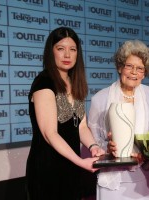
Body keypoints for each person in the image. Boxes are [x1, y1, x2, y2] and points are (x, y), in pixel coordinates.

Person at [25, 26, 105, 200]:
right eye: (61, 49)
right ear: (51, 52)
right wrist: (80, 162)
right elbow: (49, 133)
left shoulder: (75, 82)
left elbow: (81, 126)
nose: (67, 55)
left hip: (72, 167)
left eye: (72, 49)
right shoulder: (43, 82)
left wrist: (93, 146)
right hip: (47, 169)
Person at [88, 40, 149, 200]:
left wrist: (147, 153)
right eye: (129, 66)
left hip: (143, 178)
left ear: (145, 73)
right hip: (112, 179)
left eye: (140, 68)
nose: (134, 72)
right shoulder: (100, 99)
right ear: (120, 67)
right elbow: (93, 142)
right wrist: (107, 148)